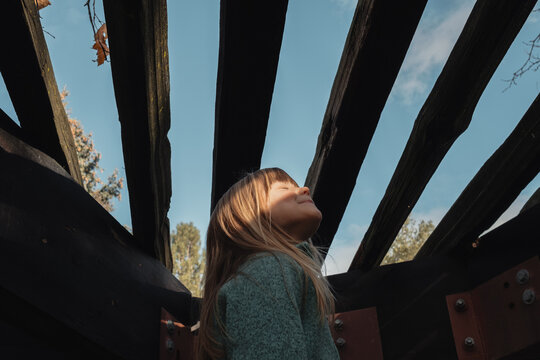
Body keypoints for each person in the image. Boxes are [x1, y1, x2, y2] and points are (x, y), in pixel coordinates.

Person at [198, 168, 340, 359]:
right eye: (284, 188)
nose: (305, 189)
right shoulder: (266, 270)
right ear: (249, 215)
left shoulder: (274, 269)